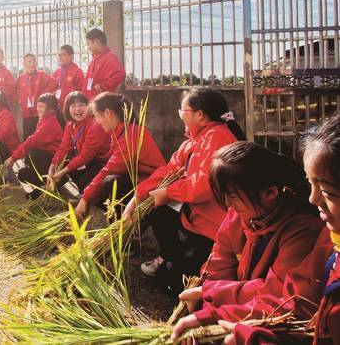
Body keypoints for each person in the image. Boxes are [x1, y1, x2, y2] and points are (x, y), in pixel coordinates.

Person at [170, 141, 327, 340]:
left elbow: (277, 292)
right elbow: (218, 268)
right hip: (241, 311)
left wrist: (211, 295)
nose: (228, 205)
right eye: (224, 196)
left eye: (233, 196)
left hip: (268, 317)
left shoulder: (303, 229)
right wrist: (207, 310)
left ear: (270, 193)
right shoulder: (238, 216)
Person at [217, 115, 340, 345]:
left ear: (270, 192)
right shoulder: (332, 241)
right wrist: (213, 309)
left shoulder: (306, 228)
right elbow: (297, 300)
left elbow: (281, 294)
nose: (314, 200)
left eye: (328, 192)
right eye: (311, 184)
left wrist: (217, 299)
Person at [122, 88, 246, 295]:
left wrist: (168, 193)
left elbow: (204, 185)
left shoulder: (218, 137)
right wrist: (137, 197)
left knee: (172, 281)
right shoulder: (194, 140)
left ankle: (192, 262)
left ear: (199, 114)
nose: (179, 115)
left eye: (182, 110)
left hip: (216, 227)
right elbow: (168, 170)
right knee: (157, 209)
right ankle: (171, 254)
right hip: (196, 217)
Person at [77, 92, 165, 220]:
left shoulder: (131, 134)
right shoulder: (122, 131)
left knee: (109, 182)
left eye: (97, 116)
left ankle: (123, 225)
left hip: (151, 186)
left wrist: (85, 197)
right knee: (97, 178)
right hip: (138, 180)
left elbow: (110, 169)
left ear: (107, 113)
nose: (97, 121)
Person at [46, 91, 111, 197]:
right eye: (73, 106)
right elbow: (63, 148)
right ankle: (51, 191)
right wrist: (52, 167)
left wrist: (62, 172)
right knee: (62, 165)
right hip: (85, 161)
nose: (78, 109)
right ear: (67, 109)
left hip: (101, 162)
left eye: (82, 105)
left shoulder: (95, 125)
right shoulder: (70, 125)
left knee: (83, 185)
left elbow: (86, 156)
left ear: (89, 107)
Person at [4, 93, 63, 199]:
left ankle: (55, 181)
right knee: (24, 171)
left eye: (42, 107)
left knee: (31, 157)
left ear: (51, 110)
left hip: (52, 161)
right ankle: (44, 186)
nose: (39, 109)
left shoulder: (50, 123)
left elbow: (32, 140)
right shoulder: (44, 120)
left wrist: (14, 157)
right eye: (38, 106)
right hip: (44, 158)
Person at [15, 53, 56, 139]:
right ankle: (28, 153)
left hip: (39, 112)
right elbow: (14, 90)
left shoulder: (41, 74)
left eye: (34, 61)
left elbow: (53, 83)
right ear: (24, 64)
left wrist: (43, 96)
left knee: (39, 136)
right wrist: (20, 100)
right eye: (30, 61)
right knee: (27, 136)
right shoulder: (20, 78)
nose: (33, 63)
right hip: (26, 114)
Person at [83, 28, 125, 99]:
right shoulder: (94, 60)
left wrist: (102, 86)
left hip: (103, 103)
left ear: (97, 42)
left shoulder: (110, 57)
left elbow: (120, 74)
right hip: (91, 102)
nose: (88, 47)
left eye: (88, 44)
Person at [53, 44, 84, 111]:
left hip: (70, 108)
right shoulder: (56, 72)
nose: (60, 57)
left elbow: (81, 92)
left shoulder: (77, 71)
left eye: (63, 55)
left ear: (71, 56)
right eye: (59, 55)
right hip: (57, 108)